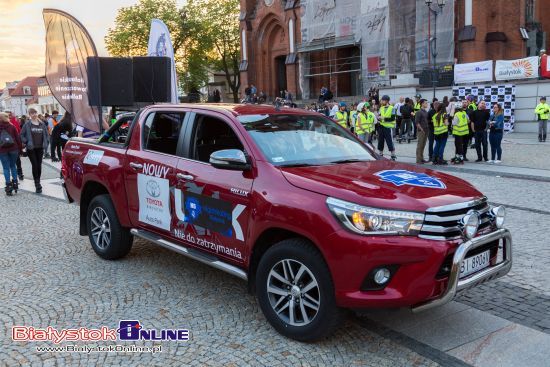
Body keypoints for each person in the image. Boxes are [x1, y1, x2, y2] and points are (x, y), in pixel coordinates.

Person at [20, 108, 49, 193]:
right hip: (31, 148)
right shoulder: (27, 124)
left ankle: (38, 180)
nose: (34, 114)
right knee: (35, 165)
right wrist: (26, 141)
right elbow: (21, 135)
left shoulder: (42, 124)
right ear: (29, 115)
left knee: (39, 165)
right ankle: (37, 184)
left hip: (40, 148)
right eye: (32, 113)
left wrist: (46, 142)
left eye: (35, 112)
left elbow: (47, 135)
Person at [0, 112, 22, 195]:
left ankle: (8, 185)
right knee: (13, 166)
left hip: (2, 150)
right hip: (13, 149)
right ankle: (15, 182)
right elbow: (18, 138)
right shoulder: (12, 126)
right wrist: (20, 150)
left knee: (6, 168)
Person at [6, 111, 24, 180]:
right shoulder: (15, 122)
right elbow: (19, 133)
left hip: (6, 146)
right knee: (17, 161)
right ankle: (20, 174)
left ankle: (14, 176)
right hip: (14, 145)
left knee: (11, 162)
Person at [378, 95, 397, 160]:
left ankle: (393, 155)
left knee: (390, 141)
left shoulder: (393, 108)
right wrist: (378, 118)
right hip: (381, 127)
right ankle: (380, 154)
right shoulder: (381, 108)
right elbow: (379, 116)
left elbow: (392, 118)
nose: (381, 101)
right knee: (380, 141)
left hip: (389, 127)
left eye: (382, 100)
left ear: (386, 101)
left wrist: (383, 118)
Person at [415, 99, 429, 164]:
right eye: (425, 103)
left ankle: (422, 158)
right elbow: (417, 122)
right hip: (421, 131)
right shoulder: (419, 112)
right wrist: (421, 129)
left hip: (426, 130)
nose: (427, 104)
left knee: (423, 145)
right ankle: (418, 160)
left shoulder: (426, 112)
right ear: (422, 104)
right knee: (420, 145)